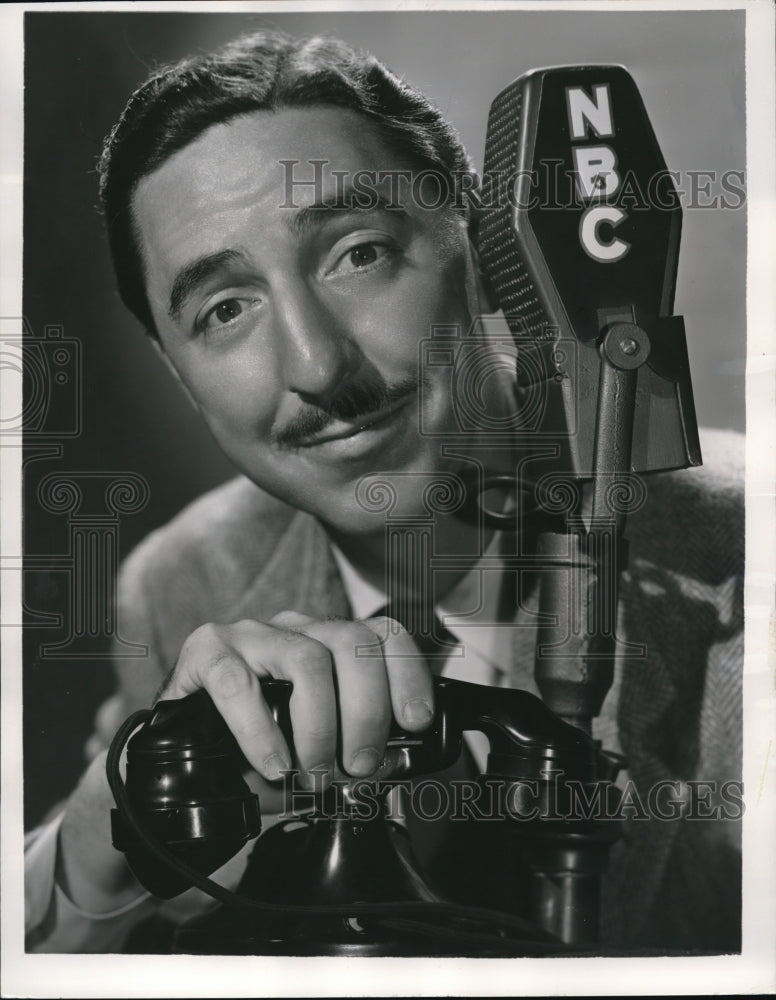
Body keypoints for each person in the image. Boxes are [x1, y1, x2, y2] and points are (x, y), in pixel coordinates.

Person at [24, 30, 743, 955]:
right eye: (225, 309)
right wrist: (97, 846)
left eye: (357, 254)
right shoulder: (182, 583)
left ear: (486, 248)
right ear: (176, 371)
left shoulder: (749, 568)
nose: (318, 365)